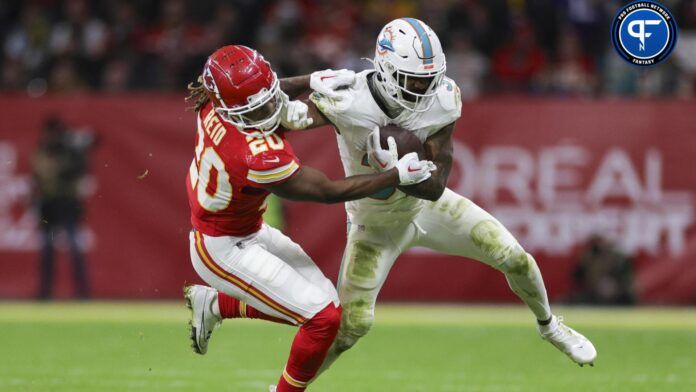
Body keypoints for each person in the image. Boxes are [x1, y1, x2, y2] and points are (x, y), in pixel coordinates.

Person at [295, 18, 598, 373]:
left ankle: (549, 326)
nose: (424, 88)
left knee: (515, 257)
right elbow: (279, 116)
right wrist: (307, 81)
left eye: (430, 78)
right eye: (415, 79)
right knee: (352, 326)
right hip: (373, 226)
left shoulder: (442, 98)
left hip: (427, 206)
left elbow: (437, 184)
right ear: (386, 68)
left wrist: (403, 175)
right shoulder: (349, 99)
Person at [182, 45, 435, 392]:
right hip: (221, 247)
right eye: (257, 110)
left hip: (247, 230)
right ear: (234, 109)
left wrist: (311, 79)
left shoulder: (213, 102)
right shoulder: (254, 156)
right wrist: (396, 176)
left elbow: (262, 93)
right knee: (322, 319)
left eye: (269, 98)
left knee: (329, 313)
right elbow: (328, 191)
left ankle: (213, 304)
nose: (271, 109)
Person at [31, 116, 95, 300]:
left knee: (74, 250)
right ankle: (45, 291)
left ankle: (82, 292)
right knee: (48, 251)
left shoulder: (70, 150)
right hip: (50, 206)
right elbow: (39, 172)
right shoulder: (44, 149)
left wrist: (58, 168)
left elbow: (78, 169)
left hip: (67, 204)